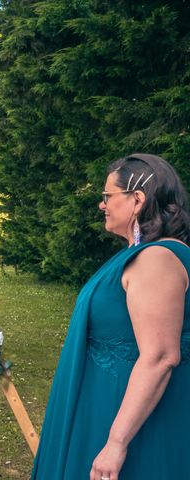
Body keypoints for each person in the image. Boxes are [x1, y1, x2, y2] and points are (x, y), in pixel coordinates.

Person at [32, 153, 190, 480]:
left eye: (107, 196)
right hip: (107, 406)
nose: (102, 205)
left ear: (137, 200)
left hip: (136, 421)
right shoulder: (140, 255)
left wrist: (116, 443)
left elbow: (160, 356)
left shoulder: (157, 259)